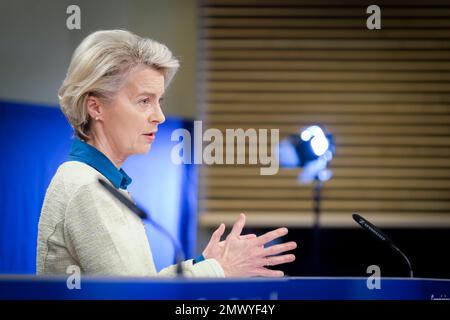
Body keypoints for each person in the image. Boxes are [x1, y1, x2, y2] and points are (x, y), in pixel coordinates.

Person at [36, 29, 297, 277]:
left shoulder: (101, 182)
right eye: (144, 101)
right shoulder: (87, 188)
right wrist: (221, 269)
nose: (159, 116)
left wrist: (206, 263)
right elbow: (136, 298)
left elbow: (140, 282)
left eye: (159, 101)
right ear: (96, 107)